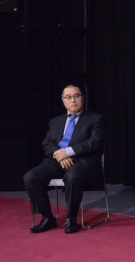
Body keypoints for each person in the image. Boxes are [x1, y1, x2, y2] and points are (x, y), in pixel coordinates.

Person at [24, 84, 107, 234]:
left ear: (83, 98)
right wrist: (60, 155)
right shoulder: (55, 121)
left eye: (77, 96)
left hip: (83, 161)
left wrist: (68, 152)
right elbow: (47, 143)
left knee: (73, 176)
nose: (73, 100)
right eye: (68, 97)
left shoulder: (95, 119)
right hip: (57, 160)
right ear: (63, 100)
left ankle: (71, 218)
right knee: (31, 177)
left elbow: (94, 143)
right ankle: (47, 218)